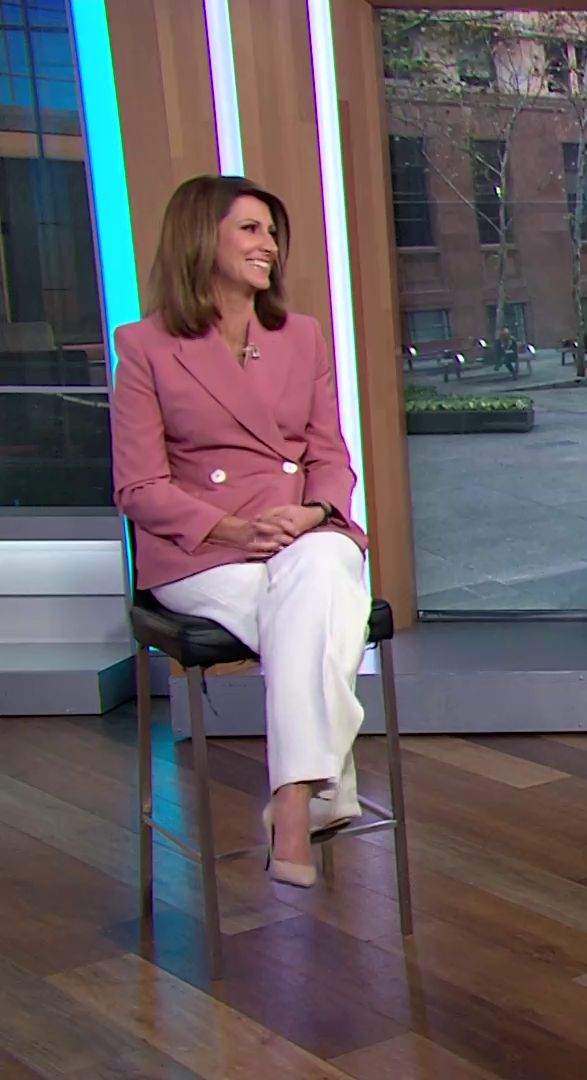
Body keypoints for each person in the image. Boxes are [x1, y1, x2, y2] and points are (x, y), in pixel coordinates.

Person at [110, 175, 371, 889]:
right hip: (203, 552)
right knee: (317, 607)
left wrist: (313, 513)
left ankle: (291, 802)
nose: (269, 246)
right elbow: (138, 487)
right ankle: (322, 789)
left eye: (272, 233)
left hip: (298, 534)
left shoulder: (301, 337)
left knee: (320, 568)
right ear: (203, 238)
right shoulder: (146, 347)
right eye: (251, 230)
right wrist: (230, 528)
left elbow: (330, 455)